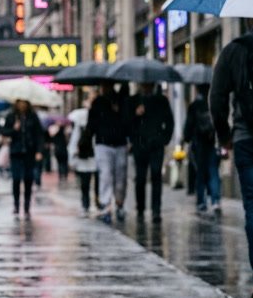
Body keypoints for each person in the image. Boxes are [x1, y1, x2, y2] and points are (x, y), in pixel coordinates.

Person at [210, 19, 253, 298]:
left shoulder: (233, 50)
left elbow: (217, 98)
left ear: (248, 20)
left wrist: (225, 136)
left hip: (247, 139)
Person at [129, 82, 174, 222]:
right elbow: (128, 123)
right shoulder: (134, 100)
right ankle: (141, 208)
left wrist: (164, 139)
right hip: (140, 145)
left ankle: (156, 210)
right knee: (140, 178)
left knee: (156, 176)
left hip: (156, 145)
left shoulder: (161, 100)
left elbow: (169, 122)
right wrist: (136, 115)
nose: (147, 87)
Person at [89, 80, 130, 225]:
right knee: (105, 174)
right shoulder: (98, 103)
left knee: (121, 177)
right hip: (103, 143)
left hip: (120, 143)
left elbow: (128, 121)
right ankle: (106, 205)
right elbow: (91, 124)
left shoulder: (122, 101)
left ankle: (119, 204)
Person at [0, 99, 44, 218]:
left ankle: (26, 206)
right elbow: (4, 131)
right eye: (20, 103)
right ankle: (16, 205)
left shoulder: (33, 116)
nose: (22, 105)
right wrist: (14, 129)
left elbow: (39, 134)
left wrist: (39, 151)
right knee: (16, 179)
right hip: (16, 152)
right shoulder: (11, 116)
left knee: (28, 179)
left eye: (24, 103)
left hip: (29, 152)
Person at [184, 84, 221, 214]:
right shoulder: (214, 103)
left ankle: (201, 202)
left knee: (200, 174)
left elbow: (188, 126)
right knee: (213, 172)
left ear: (197, 89)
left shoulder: (194, 106)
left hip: (199, 144)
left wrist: (187, 138)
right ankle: (215, 201)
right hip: (213, 143)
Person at [68, 104, 98, 215]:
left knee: (89, 184)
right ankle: (87, 204)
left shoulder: (93, 127)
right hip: (85, 158)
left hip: (92, 157)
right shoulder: (79, 128)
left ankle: (91, 203)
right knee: (86, 184)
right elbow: (74, 141)